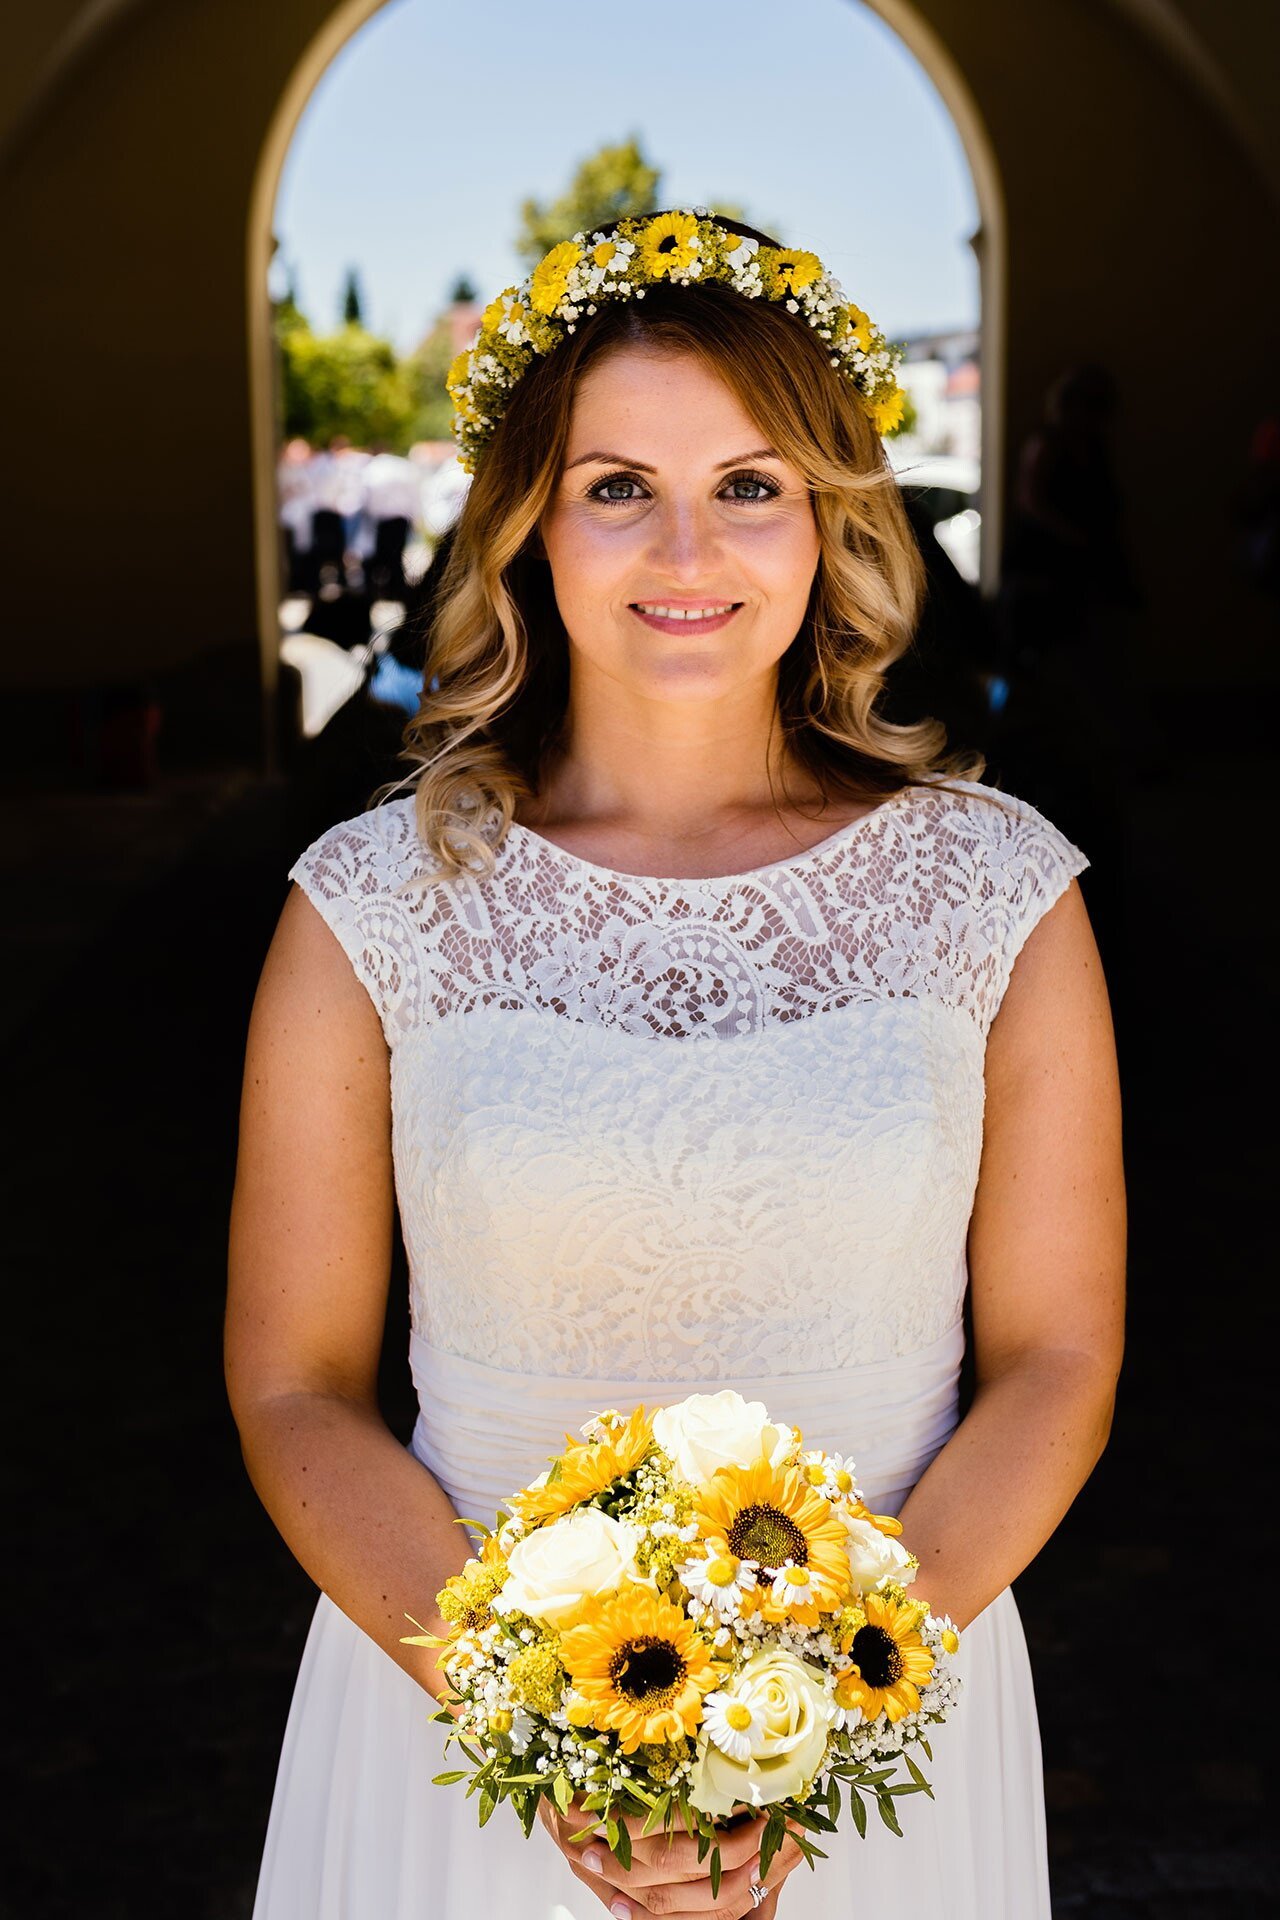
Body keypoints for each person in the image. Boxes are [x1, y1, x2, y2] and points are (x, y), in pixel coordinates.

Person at [227, 210, 1125, 1920]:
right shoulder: (370, 904)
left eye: (753, 483)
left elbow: (1061, 1361)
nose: (686, 543)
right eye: (618, 483)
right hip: (460, 1733)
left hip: (879, 1739)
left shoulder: (1001, 891)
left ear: (830, 515)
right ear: (531, 527)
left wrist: (819, 1722)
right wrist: (548, 1720)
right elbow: (296, 1388)